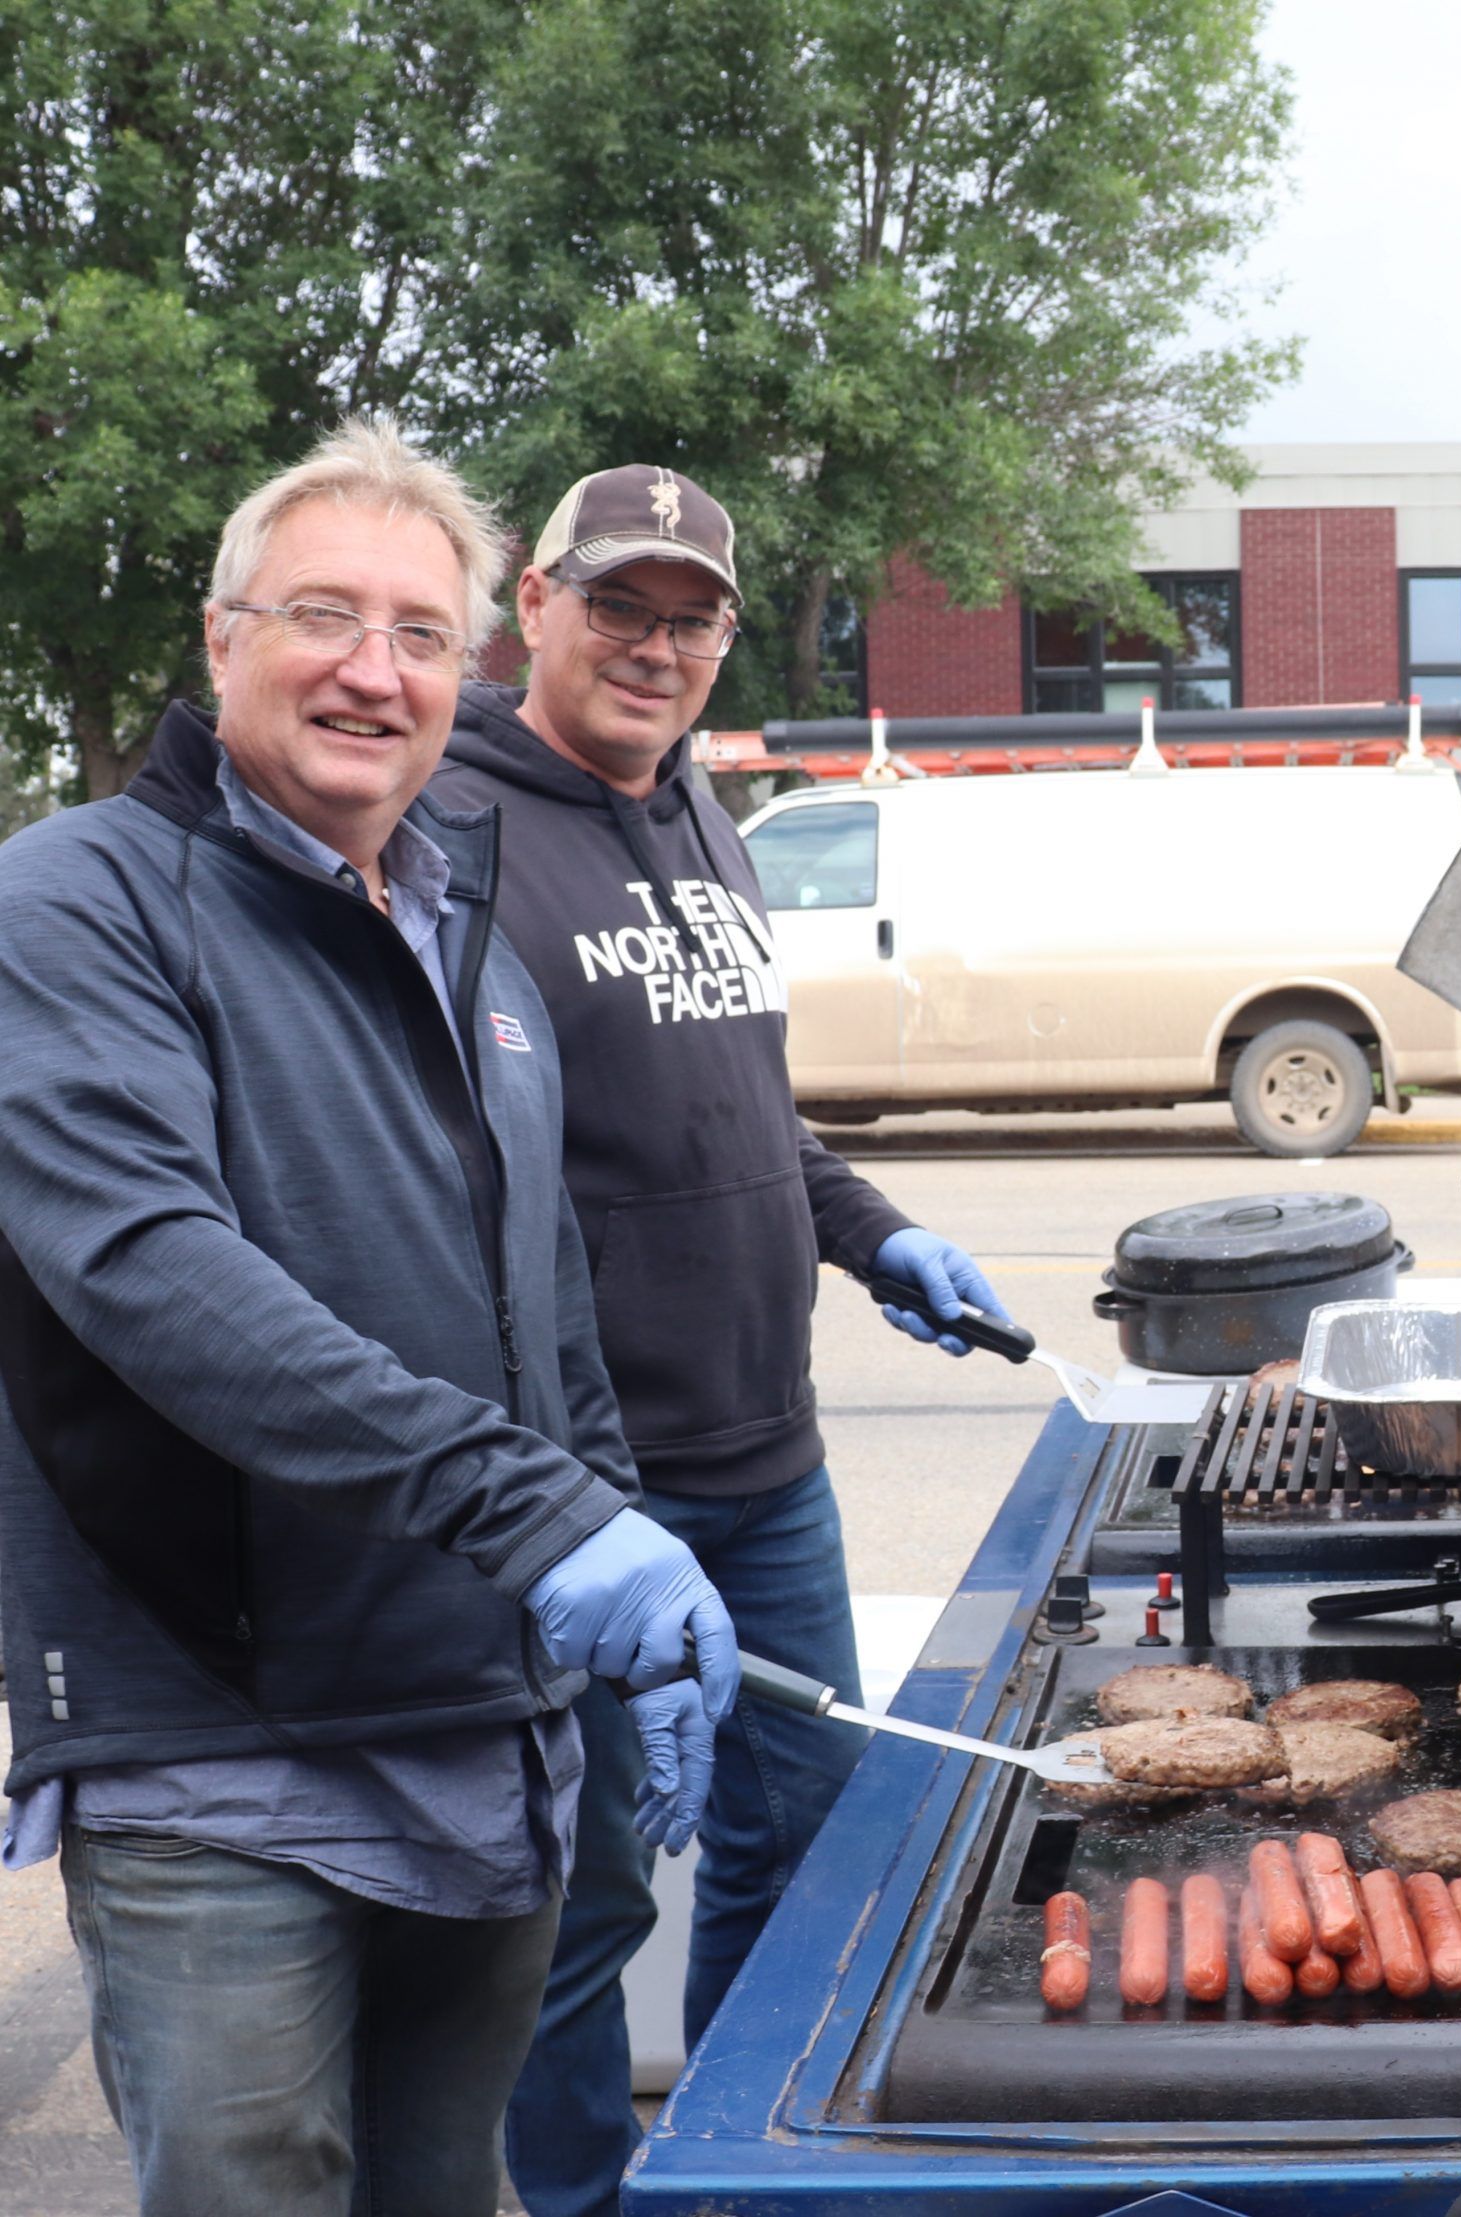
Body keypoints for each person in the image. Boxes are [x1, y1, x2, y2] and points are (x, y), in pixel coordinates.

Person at [0, 421, 741, 2217]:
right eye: (324, 615)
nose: (372, 668)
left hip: (482, 1724)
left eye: (421, 633)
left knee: (443, 2192)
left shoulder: (471, 936)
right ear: (221, 638)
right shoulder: (75, 902)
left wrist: (613, 1542)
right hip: (215, 1744)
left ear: (465, 669)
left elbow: (544, 1306)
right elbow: (152, 1273)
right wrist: (540, 1519)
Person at [431, 463, 1005, 2214]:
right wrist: (542, 1494)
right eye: (620, 605)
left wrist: (882, 1234)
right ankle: (594, 2195)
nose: (657, 648)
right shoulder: (452, 829)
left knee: (809, 1835)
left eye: (693, 620)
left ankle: (739, 2168)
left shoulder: (703, 816)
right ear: (532, 603)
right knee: (590, 1899)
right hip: (595, 1501)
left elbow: (755, 1118)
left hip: (772, 1465)